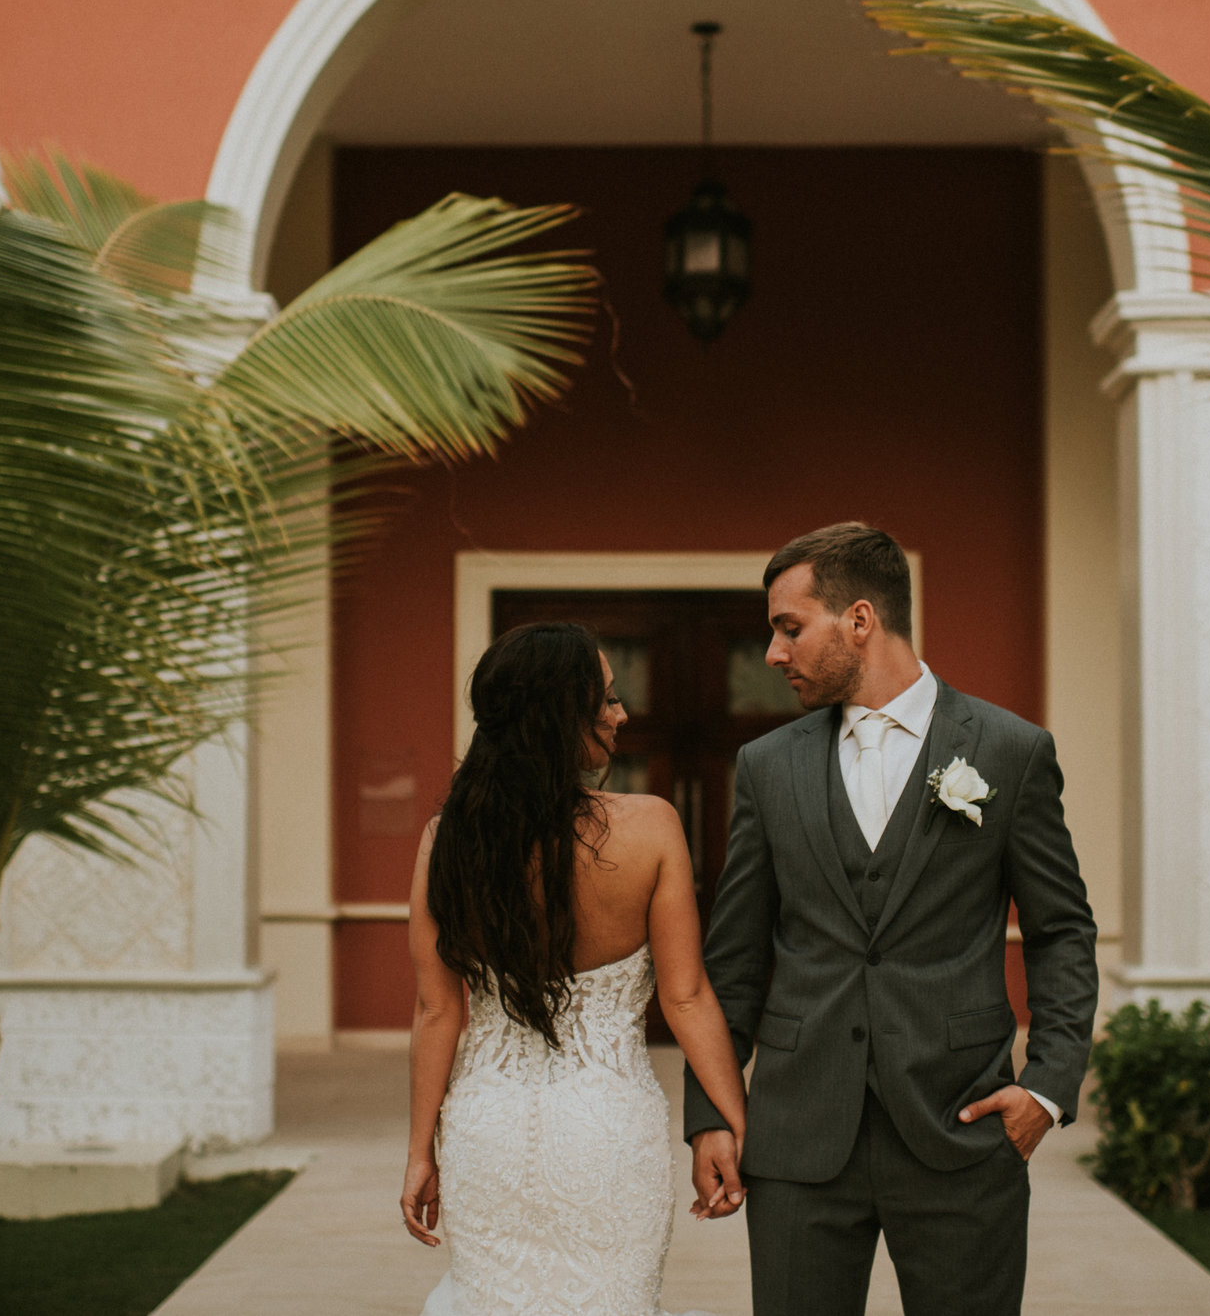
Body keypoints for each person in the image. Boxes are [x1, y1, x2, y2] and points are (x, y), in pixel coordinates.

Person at [682, 522, 1100, 1316]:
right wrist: (710, 1111)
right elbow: (732, 960)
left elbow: (1061, 932)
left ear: (861, 620)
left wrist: (1045, 1088)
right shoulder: (767, 767)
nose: (773, 653)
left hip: (961, 1130)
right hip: (798, 1138)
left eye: (789, 627)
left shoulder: (1011, 751)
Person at [403, 620, 750, 1316]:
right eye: (609, 698)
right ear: (563, 714)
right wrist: (736, 1125)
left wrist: (420, 1152)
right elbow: (685, 997)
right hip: (608, 1130)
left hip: (485, 1130)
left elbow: (438, 1010)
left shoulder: (447, 840)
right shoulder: (652, 827)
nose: (623, 714)